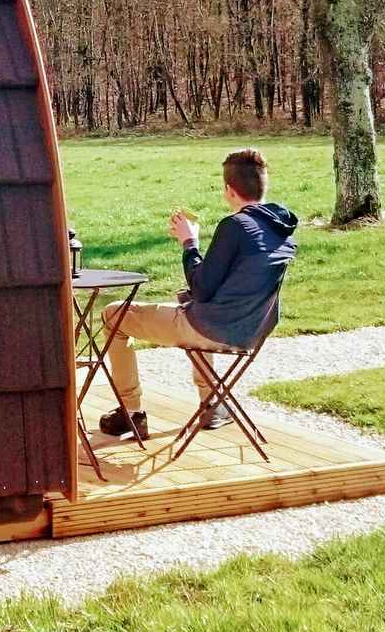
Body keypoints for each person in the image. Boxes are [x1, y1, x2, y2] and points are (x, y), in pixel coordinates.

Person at [97, 148, 298, 440]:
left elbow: (202, 287)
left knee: (113, 314)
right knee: (191, 304)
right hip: (251, 332)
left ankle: (130, 412)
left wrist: (189, 242)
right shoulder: (281, 228)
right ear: (264, 185)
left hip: (210, 329)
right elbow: (221, 287)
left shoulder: (235, 226)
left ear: (229, 190)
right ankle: (213, 405)